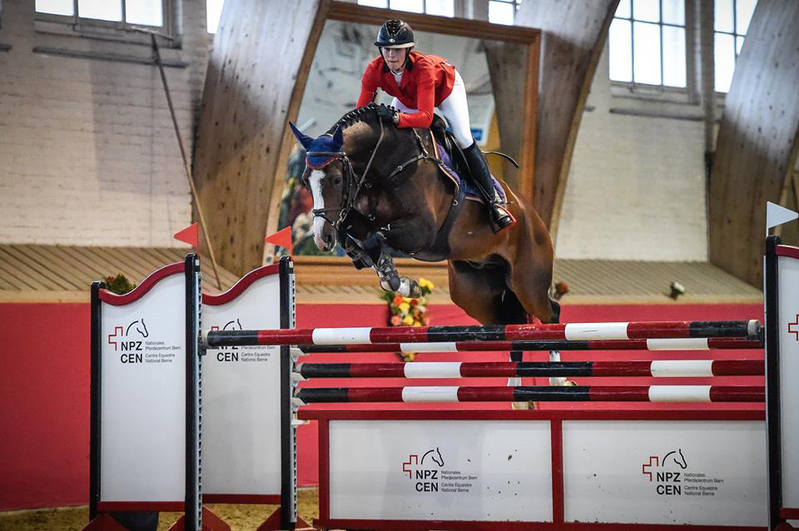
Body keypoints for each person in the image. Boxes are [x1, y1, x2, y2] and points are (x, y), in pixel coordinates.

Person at [356, 19, 514, 232]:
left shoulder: (422, 68)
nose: (391, 55)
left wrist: (395, 118)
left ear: (408, 50)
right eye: (386, 49)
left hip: (446, 90)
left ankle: (493, 201)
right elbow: (360, 114)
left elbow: (425, 118)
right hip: (409, 97)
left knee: (463, 137)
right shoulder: (374, 69)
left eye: (397, 50)